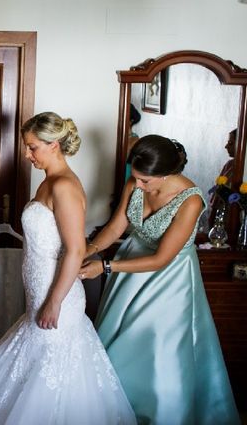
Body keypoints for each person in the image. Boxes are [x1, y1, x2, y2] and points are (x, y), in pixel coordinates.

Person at [0, 112, 135, 424]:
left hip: (58, 295)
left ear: (54, 145)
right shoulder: (49, 182)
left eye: (32, 147)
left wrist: (54, 301)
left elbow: (76, 249)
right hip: (41, 289)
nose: (26, 154)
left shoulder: (64, 186)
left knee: (51, 371)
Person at [81, 134, 240, 425]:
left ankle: (160, 414)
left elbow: (161, 259)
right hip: (128, 266)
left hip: (168, 277)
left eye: (145, 181)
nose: (137, 185)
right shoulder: (136, 179)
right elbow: (117, 227)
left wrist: (104, 267)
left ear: (167, 174)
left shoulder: (190, 201)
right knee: (114, 340)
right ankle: (115, 412)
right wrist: (88, 251)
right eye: (136, 178)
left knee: (155, 347)